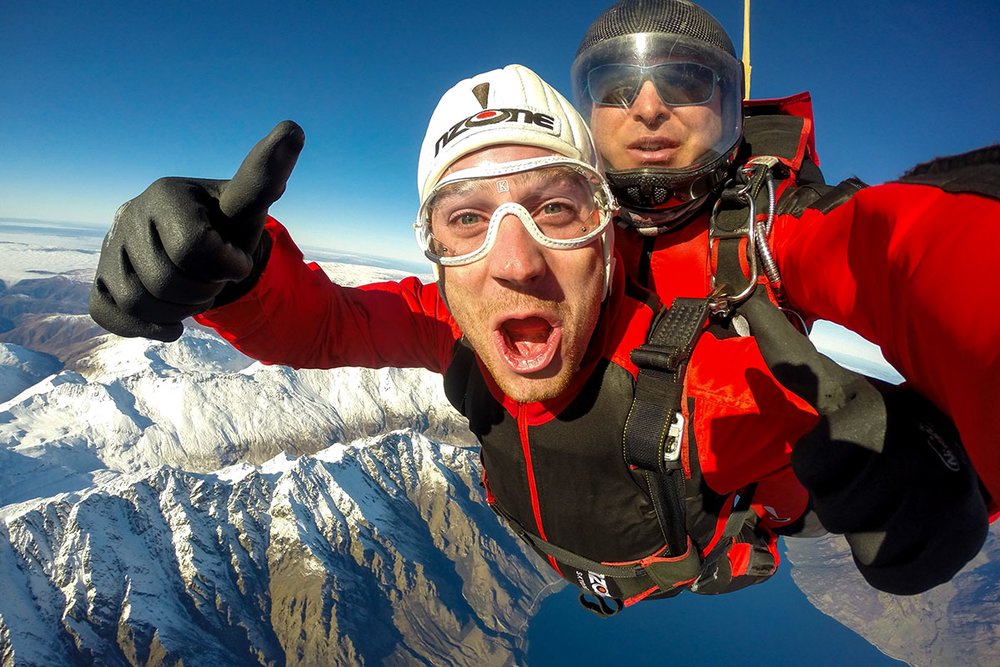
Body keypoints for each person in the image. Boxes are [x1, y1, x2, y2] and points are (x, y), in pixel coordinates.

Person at [88, 64, 988, 613]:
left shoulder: (717, 357)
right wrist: (234, 274)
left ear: (608, 235)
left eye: (555, 208)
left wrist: (951, 472)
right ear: (434, 255)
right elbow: (321, 323)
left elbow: (910, 261)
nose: (513, 260)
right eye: (467, 220)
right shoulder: (453, 324)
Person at [568, 0, 1000, 576]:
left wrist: (962, 461)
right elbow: (429, 312)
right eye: (616, 87)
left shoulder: (770, 231)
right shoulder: (555, 234)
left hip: (752, 509)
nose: (648, 106)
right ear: (586, 116)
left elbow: (906, 254)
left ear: (728, 109)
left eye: (688, 81)